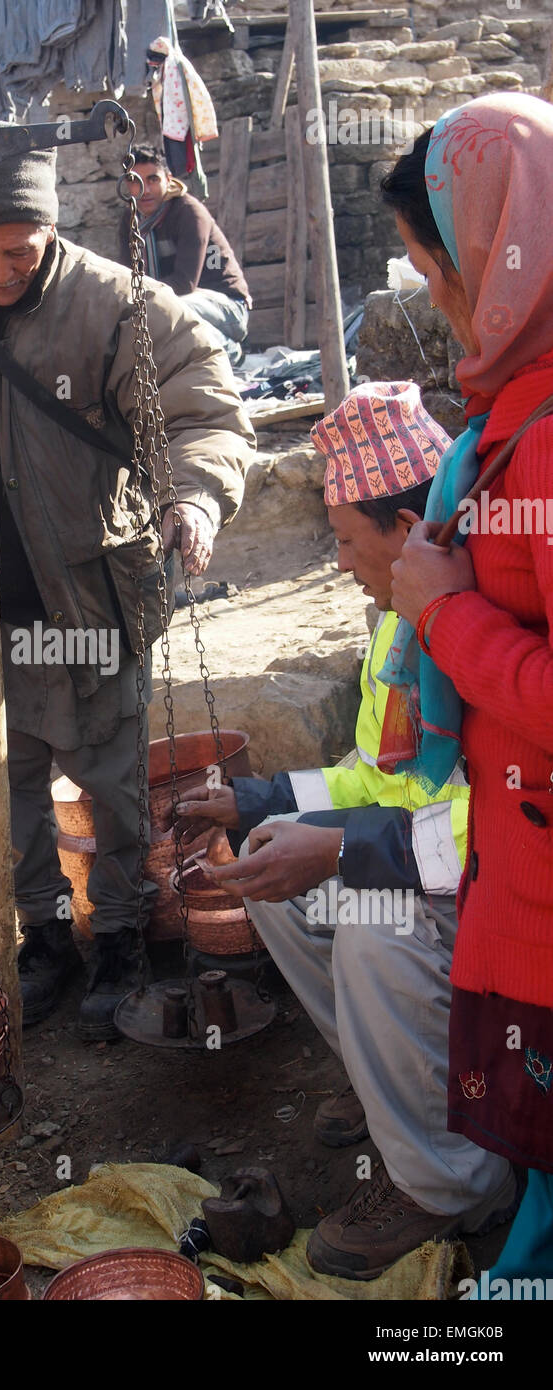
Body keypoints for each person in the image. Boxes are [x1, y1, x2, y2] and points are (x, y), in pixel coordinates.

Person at [0, 146, 256, 1040]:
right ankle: (40, 937)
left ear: (50, 230)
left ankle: (118, 935)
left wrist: (192, 495)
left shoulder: (118, 304)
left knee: (108, 775)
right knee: (7, 778)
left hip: (91, 595)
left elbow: (202, 411)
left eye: (18, 252)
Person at [176, 380, 517, 1280]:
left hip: (506, 896)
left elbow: (490, 831)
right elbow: (376, 777)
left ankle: (450, 1181)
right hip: (438, 862)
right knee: (275, 871)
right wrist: (254, 804)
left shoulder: (484, 627)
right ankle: (390, 1092)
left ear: (407, 530)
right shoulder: (394, 637)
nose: (336, 563)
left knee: (373, 926)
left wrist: (341, 850)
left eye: (343, 541)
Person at [383, 93, 553, 1283]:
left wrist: (442, 612)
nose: (435, 295)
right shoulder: (512, 419)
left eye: (436, 265)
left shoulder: (544, 440)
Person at [117, 144, 252, 366]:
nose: (145, 190)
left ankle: (229, 350)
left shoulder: (188, 212)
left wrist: (141, 301)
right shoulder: (130, 221)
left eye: (153, 179)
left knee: (165, 310)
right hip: (169, 302)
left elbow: (184, 283)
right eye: (135, 181)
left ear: (168, 179)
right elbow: (128, 280)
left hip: (228, 308)